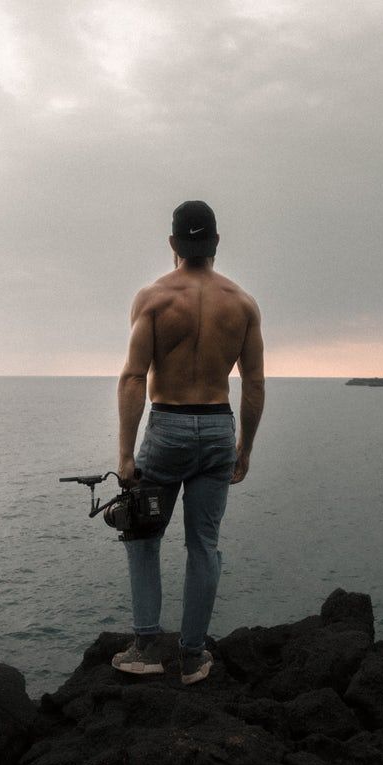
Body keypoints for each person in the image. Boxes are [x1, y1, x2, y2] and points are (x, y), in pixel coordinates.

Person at [111, 200, 265, 684]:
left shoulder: (153, 299)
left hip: (168, 428)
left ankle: (146, 647)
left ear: (173, 243)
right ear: (216, 243)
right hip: (218, 427)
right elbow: (255, 383)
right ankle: (194, 655)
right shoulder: (241, 303)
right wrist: (245, 448)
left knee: (142, 534)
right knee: (204, 546)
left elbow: (134, 376)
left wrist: (125, 453)